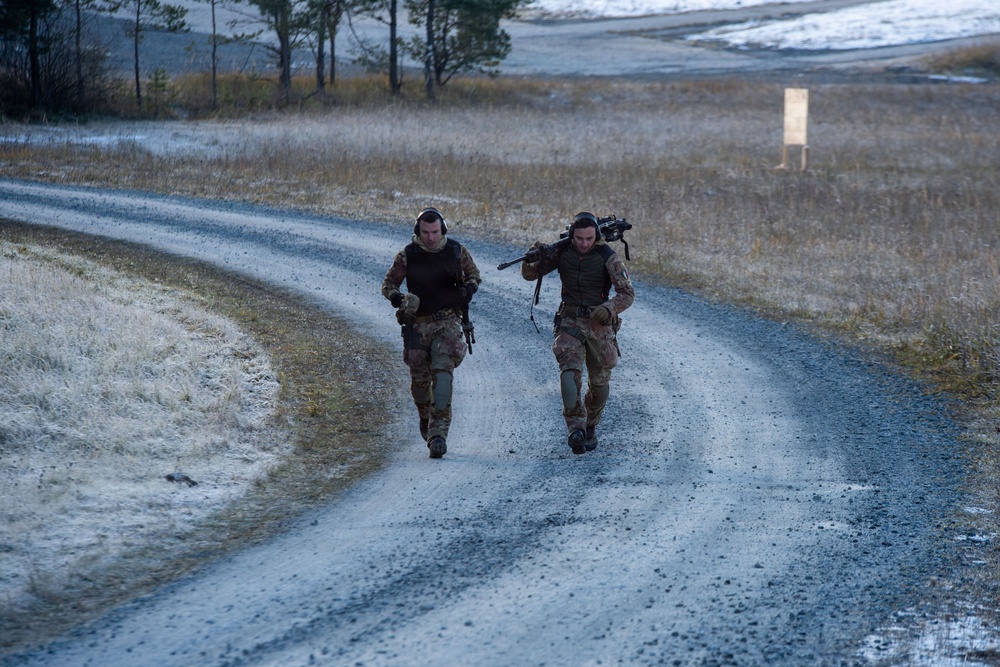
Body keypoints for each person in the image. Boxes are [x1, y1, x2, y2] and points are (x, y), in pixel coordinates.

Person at [521, 211, 635, 455]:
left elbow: (627, 294)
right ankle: (575, 429)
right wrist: (535, 253)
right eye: (579, 238)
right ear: (572, 236)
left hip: (599, 323)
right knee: (569, 372)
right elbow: (530, 274)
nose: (584, 243)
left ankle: (590, 425)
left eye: (589, 238)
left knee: (600, 385)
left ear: (597, 236)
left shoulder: (609, 257)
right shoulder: (563, 252)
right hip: (570, 320)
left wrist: (609, 308)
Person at [382, 207, 481, 459]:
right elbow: (389, 283)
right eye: (425, 232)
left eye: (435, 232)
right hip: (417, 324)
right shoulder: (407, 255)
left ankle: (438, 434)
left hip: (447, 322)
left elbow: (474, 276)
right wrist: (396, 298)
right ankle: (425, 415)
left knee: (443, 376)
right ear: (418, 231)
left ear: (442, 229)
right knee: (419, 384)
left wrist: (467, 290)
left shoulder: (457, 251)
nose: (430, 237)